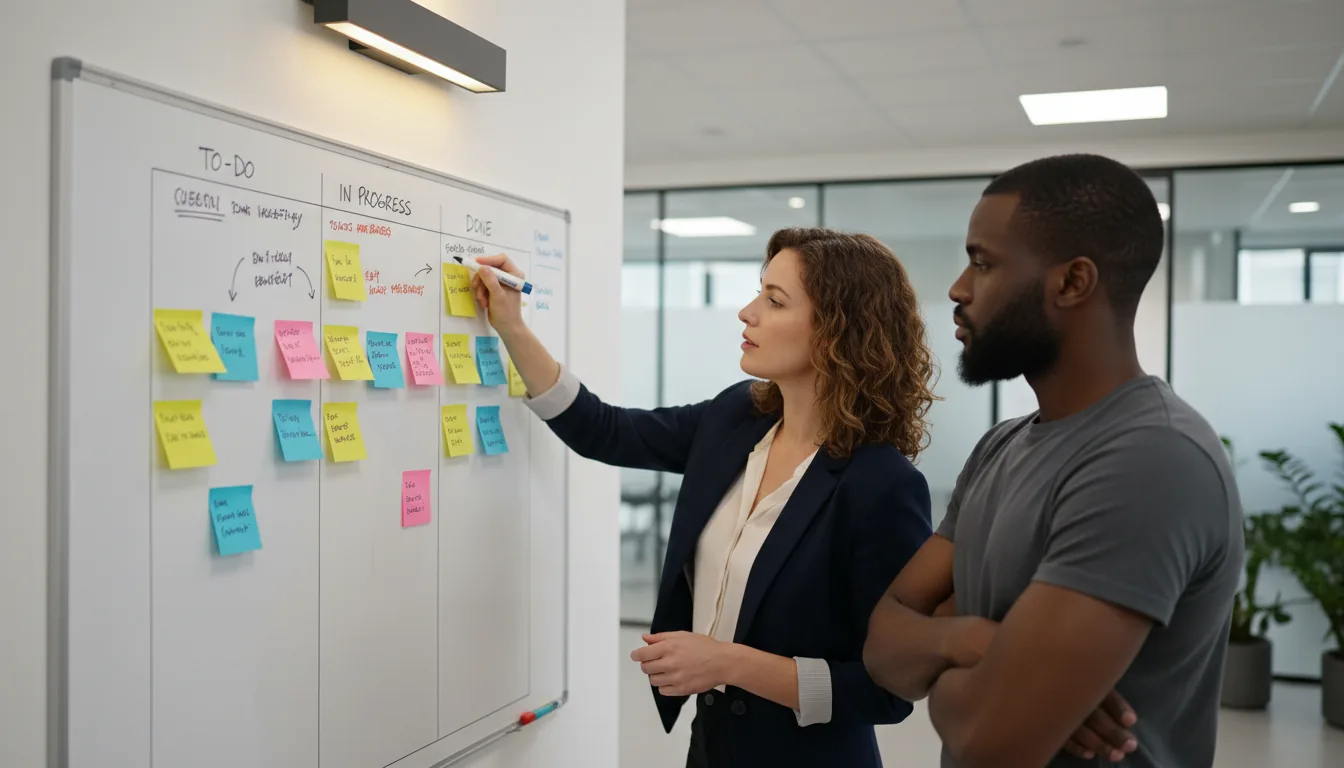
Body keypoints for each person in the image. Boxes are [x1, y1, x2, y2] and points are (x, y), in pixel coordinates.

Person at [470, 229, 937, 766]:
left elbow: (888, 689)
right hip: (712, 748)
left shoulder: (881, 484)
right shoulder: (737, 417)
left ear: (837, 330)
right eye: (759, 292)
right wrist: (511, 324)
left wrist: (729, 663)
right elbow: (605, 431)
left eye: (774, 301)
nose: (747, 312)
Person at [863, 153, 1244, 768]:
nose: (958, 289)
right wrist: (974, 640)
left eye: (983, 263)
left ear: (1072, 283)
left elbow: (990, 742)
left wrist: (945, 665)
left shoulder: (1151, 458)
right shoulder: (1001, 446)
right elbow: (883, 647)